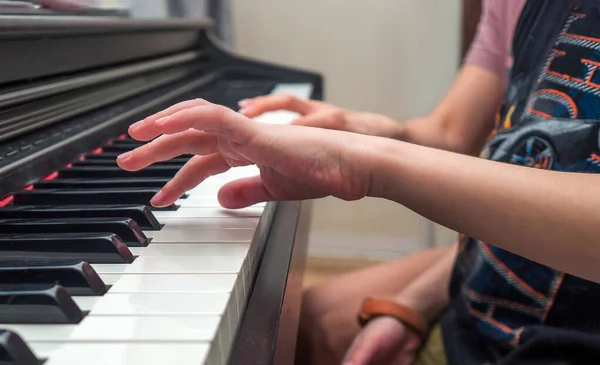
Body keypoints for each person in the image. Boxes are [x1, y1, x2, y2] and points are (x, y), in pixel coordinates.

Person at [116, 0, 600, 364]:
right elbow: (452, 133)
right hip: (486, 293)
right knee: (287, 325)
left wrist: (363, 162)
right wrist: (368, 131)